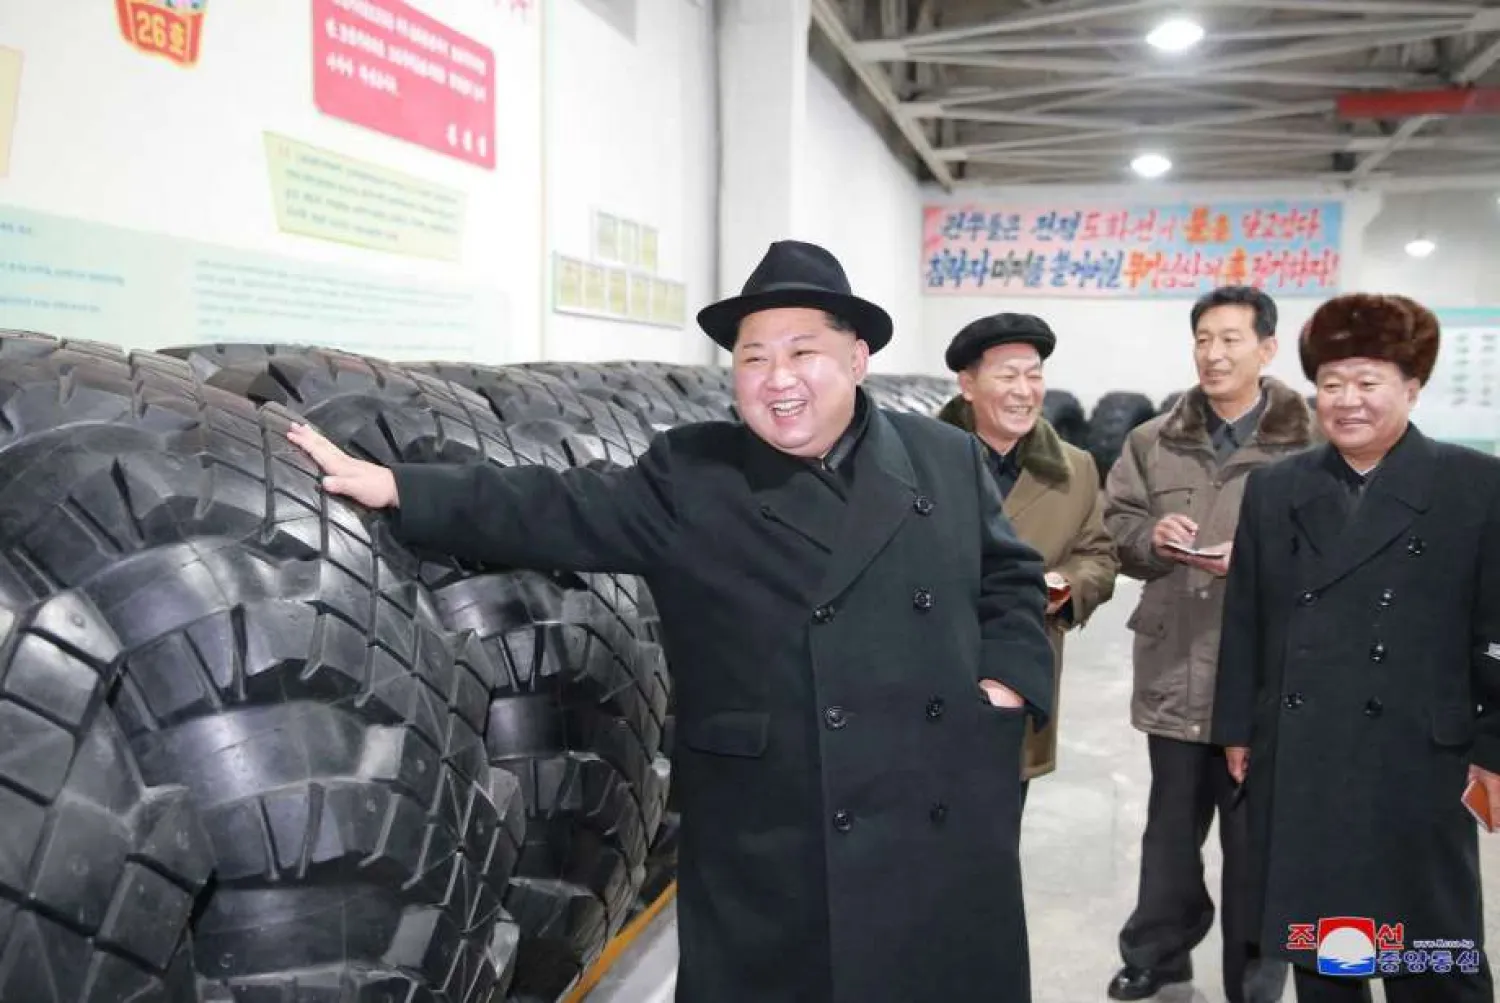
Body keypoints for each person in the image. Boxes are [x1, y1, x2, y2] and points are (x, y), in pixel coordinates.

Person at [286, 239, 1056, 1003]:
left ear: (856, 359)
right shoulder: (695, 472)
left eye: (802, 351)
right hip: (774, 830)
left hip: (937, 810)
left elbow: (1011, 577)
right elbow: (552, 505)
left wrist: (1003, 688)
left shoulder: (944, 458)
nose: (778, 379)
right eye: (753, 358)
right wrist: (400, 485)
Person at [1212, 292, 1500, 1003]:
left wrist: (1493, 746)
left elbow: (1495, 630)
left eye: (1368, 382)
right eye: (1332, 384)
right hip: (1309, 753)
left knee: (1431, 948)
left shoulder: (1474, 485)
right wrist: (1238, 728)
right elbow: (1246, 615)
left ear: (1412, 386)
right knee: (1331, 945)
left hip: (1423, 755)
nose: (1348, 401)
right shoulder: (1277, 488)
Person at [1102, 285, 1311, 1003]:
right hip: (1173, 663)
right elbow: (1116, 528)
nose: (1214, 353)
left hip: (1261, 675)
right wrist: (1150, 538)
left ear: (1267, 347)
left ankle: (1255, 972)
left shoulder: (1307, 441)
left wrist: (1258, 560)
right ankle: (1158, 955)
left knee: (1254, 841)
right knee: (1169, 837)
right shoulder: (1151, 439)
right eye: (1202, 339)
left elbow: (1339, 547)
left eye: (1230, 338)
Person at [936, 312, 1119, 810]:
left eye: (1033, 374)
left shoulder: (1074, 468)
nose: (1024, 390)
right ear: (968, 385)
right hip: (930, 675)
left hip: (1020, 674)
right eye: (1007, 375)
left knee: (998, 834)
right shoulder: (918, 459)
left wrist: (1067, 585)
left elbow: (1098, 554)